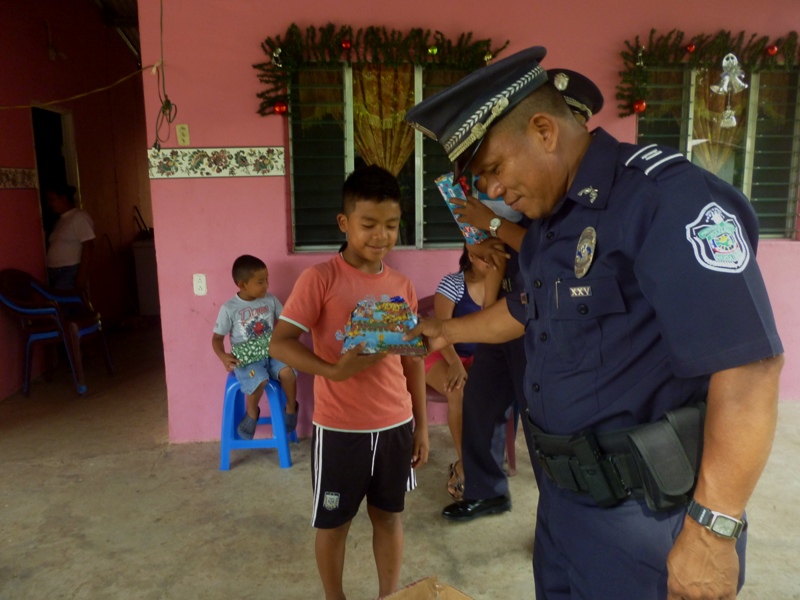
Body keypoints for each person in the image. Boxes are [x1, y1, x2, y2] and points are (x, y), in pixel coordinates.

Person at [405, 46, 783, 599]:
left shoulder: (663, 199)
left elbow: (750, 367)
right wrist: (446, 332)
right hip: (564, 506)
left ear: (543, 130)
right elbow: (527, 310)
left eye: (492, 170)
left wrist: (713, 530)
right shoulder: (553, 220)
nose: (490, 192)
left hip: (648, 518)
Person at [438, 67, 605, 522]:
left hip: (538, 321)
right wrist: (478, 238)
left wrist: (490, 222)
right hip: (503, 309)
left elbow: (543, 247)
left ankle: (558, 514)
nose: (496, 186)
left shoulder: (567, 194)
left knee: (539, 421)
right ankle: (487, 489)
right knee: (481, 405)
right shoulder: (526, 183)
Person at [269, 165, 429, 600]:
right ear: (344, 222)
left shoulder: (401, 285)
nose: (381, 235)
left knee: (389, 517)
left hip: (395, 425)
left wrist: (421, 425)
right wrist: (333, 370)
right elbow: (280, 343)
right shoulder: (321, 279)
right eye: (369, 224)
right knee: (334, 523)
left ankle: (388, 596)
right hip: (340, 429)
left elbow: (412, 359)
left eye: (391, 225)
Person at [425, 244, 504, 499]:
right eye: (486, 259)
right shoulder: (452, 284)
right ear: (471, 256)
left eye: (496, 259)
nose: (492, 264)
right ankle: (466, 466)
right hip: (442, 353)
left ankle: (474, 462)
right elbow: (440, 332)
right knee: (456, 391)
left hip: (475, 358)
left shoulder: (497, 287)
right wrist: (456, 364)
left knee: (494, 393)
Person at [212, 254, 298, 438]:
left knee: (288, 373)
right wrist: (223, 356)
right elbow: (217, 339)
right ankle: (252, 412)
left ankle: (291, 408)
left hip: (273, 353)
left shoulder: (271, 300)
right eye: (260, 282)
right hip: (248, 361)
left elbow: (286, 321)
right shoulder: (229, 308)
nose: (266, 285)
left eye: (267, 280)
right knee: (259, 379)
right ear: (242, 285)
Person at [44, 185, 95, 291]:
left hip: (69, 271)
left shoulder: (79, 217)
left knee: (64, 300)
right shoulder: (60, 220)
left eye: (52, 200)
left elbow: (88, 246)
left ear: (63, 199)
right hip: (55, 272)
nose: (49, 204)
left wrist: (82, 275)